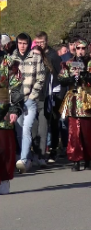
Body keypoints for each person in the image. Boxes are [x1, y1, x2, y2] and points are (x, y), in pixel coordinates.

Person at [58, 39, 91, 171]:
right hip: (74, 101)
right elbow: (61, 79)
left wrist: (86, 75)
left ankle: (89, 158)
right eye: (78, 48)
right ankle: (75, 160)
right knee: (74, 132)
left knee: (88, 132)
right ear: (74, 49)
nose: (81, 51)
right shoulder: (68, 63)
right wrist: (71, 78)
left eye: (83, 48)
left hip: (88, 100)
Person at [11, 33, 45, 173]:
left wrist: (32, 95)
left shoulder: (36, 57)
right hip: (17, 101)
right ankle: (28, 157)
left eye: (25, 43)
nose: (22, 46)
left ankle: (24, 159)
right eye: (20, 43)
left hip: (30, 100)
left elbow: (41, 78)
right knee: (19, 131)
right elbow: (8, 79)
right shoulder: (12, 58)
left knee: (26, 129)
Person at [34, 31, 63, 163]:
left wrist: (59, 92)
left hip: (54, 91)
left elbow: (59, 74)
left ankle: (54, 149)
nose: (40, 44)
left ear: (46, 41)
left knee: (54, 121)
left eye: (42, 42)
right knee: (41, 123)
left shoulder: (53, 55)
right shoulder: (35, 53)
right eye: (38, 42)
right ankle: (40, 150)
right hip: (42, 93)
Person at [0, 48, 23, 194]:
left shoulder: (8, 62)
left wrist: (14, 109)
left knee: (4, 147)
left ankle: (4, 179)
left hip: (4, 106)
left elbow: (16, 87)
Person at [30, 45, 53, 168]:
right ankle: (35, 155)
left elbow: (49, 87)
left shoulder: (47, 69)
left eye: (38, 54)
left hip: (43, 100)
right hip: (32, 101)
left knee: (43, 130)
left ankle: (42, 156)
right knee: (33, 130)